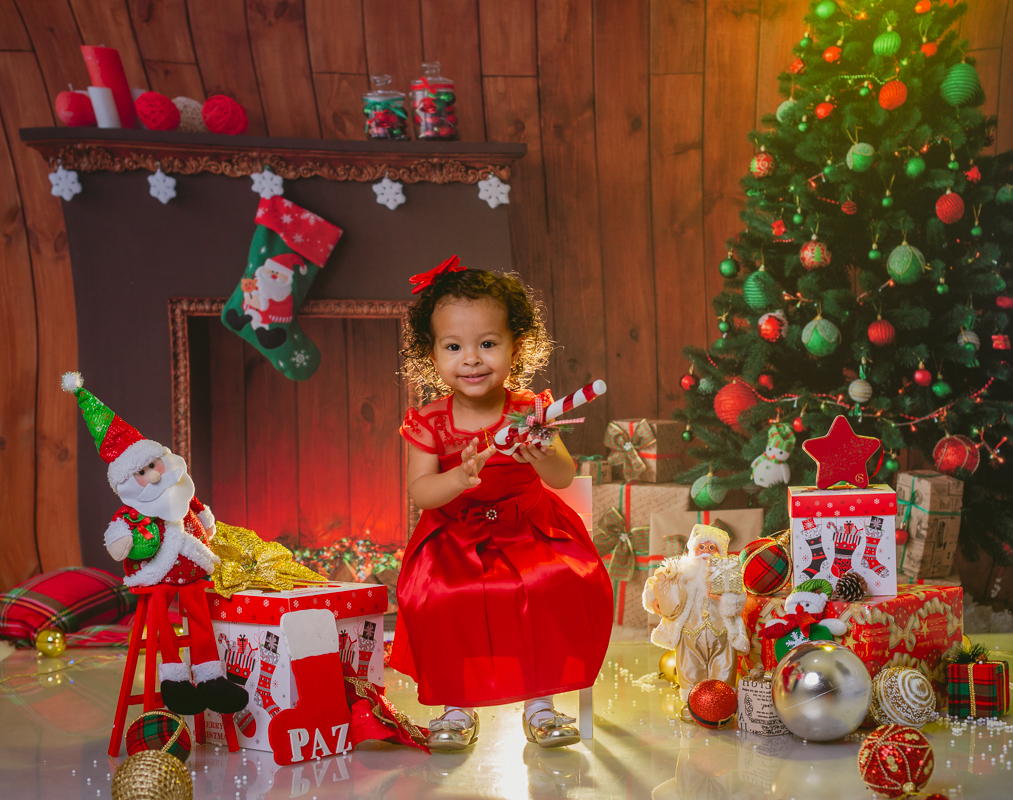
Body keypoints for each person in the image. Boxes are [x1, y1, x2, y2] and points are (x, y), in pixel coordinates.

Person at [390, 256, 613, 751]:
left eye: (487, 344)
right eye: (454, 346)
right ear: (433, 354)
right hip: (453, 536)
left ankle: (541, 706)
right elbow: (421, 492)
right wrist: (459, 479)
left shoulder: (531, 411)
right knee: (447, 596)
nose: (471, 359)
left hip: (531, 530)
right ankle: (455, 708)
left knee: (552, 584)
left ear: (517, 346)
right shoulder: (429, 421)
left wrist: (541, 454)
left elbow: (563, 477)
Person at [61, 372, 249, 716]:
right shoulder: (134, 510)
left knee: (200, 617)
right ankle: (174, 679)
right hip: (158, 578)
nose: (154, 475)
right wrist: (122, 542)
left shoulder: (181, 493)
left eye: (154, 464)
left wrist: (208, 525)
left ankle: (211, 678)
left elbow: (202, 515)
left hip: (193, 575)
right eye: (143, 472)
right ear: (127, 481)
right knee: (161, 618)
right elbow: (119, 532)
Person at [642, 525, 749, 712]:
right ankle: (693, 707)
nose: (705, 553)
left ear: (720, 552)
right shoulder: (681, 571)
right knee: (690, 671)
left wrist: (721, 598)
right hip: (689, 633)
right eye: (701, 547)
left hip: (721, 634)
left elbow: (739, 600)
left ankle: (722, 707)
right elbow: (658, 582)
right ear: (693, 549)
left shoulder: (728, 573)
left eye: (711, 548)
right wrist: (654, 599)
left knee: (723, 671)